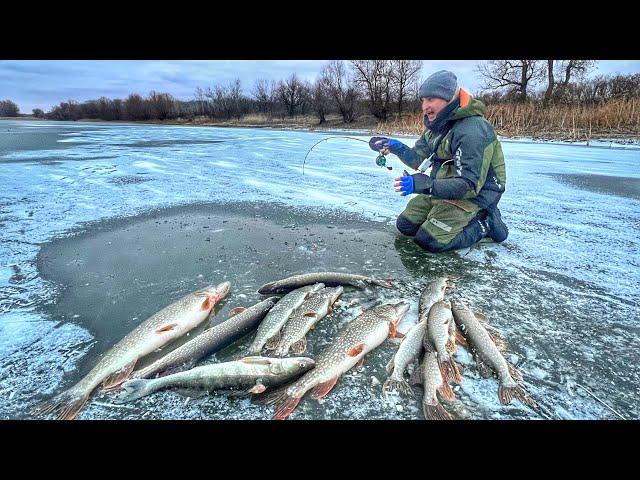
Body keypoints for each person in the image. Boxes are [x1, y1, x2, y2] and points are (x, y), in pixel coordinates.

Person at [369, 70, 509, 253]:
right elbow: (418, 158)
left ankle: (486, 221)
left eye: (431, 99)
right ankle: (452, 215)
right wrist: (395, 147)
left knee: (430, 240)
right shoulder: (437, 126)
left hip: (477, 194)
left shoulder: (473, 130)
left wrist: (426, 186)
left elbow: (469, 185)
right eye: (423, 100)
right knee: (406, 225)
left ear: (449, 98)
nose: (425, 106)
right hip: (445, 187)